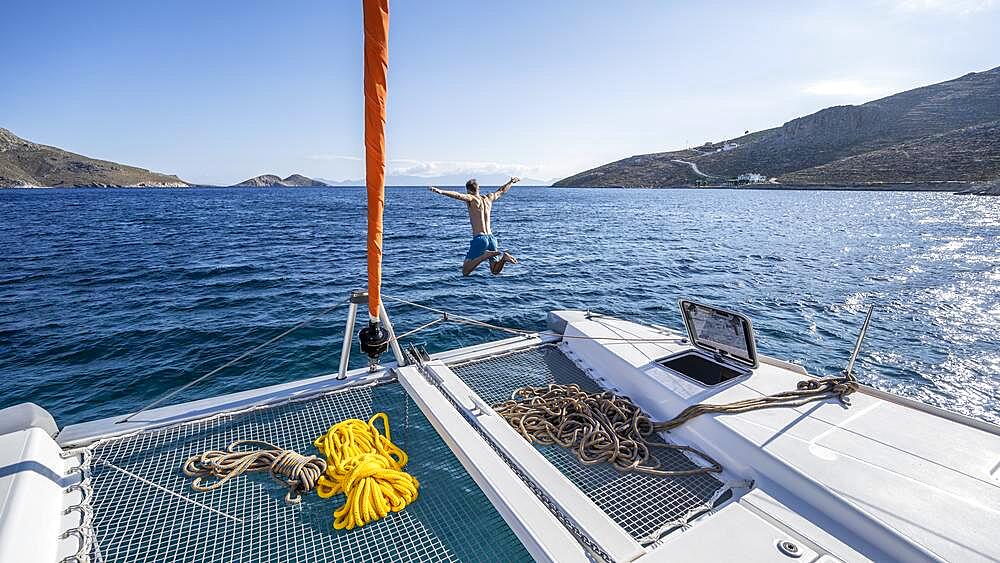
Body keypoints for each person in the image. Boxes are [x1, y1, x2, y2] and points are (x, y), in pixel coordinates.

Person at [429, 177, 520, 276]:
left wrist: (441, 191)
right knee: (494, 271)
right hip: (492, 238)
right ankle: (504, 258)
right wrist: (511, 182)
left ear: (468, 190)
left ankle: (483, 256)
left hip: (480, 239)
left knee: (465, 271)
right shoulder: (488, 198)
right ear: (478, 188)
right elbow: (501, 191)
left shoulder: (471, 198)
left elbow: (458, 195)